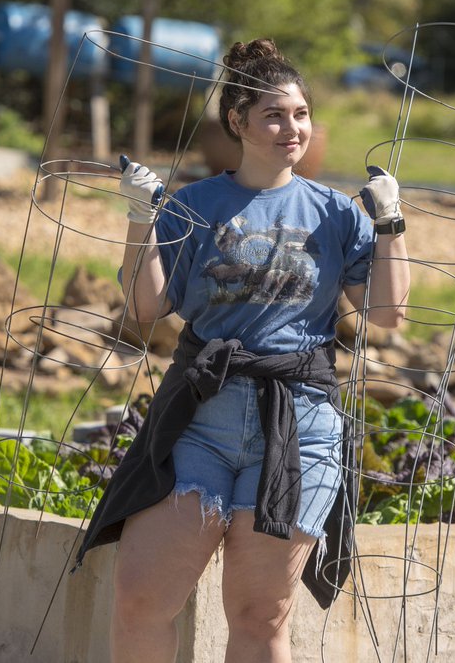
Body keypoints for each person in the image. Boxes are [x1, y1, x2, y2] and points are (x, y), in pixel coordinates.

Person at [73, 39, 412, 662]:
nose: (293, 128)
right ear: (238, 123)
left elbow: (387, 314)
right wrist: (139, 218)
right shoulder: (195, 206)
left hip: (298, 425)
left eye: (302, 114)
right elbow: (148, 309)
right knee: (140, 598)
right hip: (200, 420)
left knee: (260, 617)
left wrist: (389, 223)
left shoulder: (338, 212)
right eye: (275, 116)